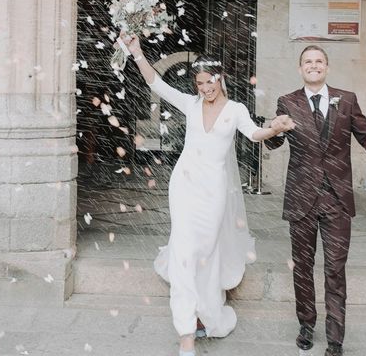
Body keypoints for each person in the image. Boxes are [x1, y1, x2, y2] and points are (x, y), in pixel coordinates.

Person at [123, 35, 295, 356]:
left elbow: (255, 133)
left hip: (214, 192)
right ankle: (186, 333)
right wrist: (137, 53)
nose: (205, 88)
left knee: (204, 252)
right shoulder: (190, 104)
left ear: (221, 79)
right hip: (184, 186)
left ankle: (206, 312)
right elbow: (156, 84)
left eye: (210, 81)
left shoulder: (235, 110)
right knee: (185, 251)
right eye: (200, 83)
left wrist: (274, 127)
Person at [265, 45, 366, 356]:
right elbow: (274, 143)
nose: (313, 66)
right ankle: (306, 324)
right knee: (303, 266)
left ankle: (336, 340)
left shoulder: (346, 99)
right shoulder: (288, 101)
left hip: (336, 199)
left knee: (335, 268)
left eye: (318, 61)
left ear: (327, 67)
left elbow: (365, 133)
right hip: (301, 197)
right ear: (300, 69)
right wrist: (272, 129)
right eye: (308, 62)